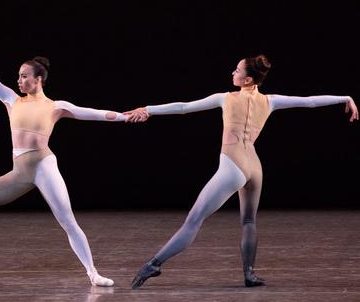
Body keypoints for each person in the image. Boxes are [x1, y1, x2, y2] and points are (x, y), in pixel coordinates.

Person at [126, 55, 358, 289]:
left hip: (232, 165)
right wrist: (345, 97)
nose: (232, 73)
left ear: (247, 79)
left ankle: (154, 264)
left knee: (194, 220)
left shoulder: (225, 98)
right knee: (248, 220)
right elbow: (309, 101)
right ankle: (249, 273)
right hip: (254, 166)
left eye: (237, 71)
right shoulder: (271, 101)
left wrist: (148, 109)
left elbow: (184, 107)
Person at [0, 36, 129, 290]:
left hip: (44, 168)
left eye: (24, 76)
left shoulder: (56, 106)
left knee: (68, 221)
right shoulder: (11, 99)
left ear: (38, 79)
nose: (19, 80)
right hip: (20, 172)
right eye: (18, 76)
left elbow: (96, 114)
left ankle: (93, 273)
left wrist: (126, 117)